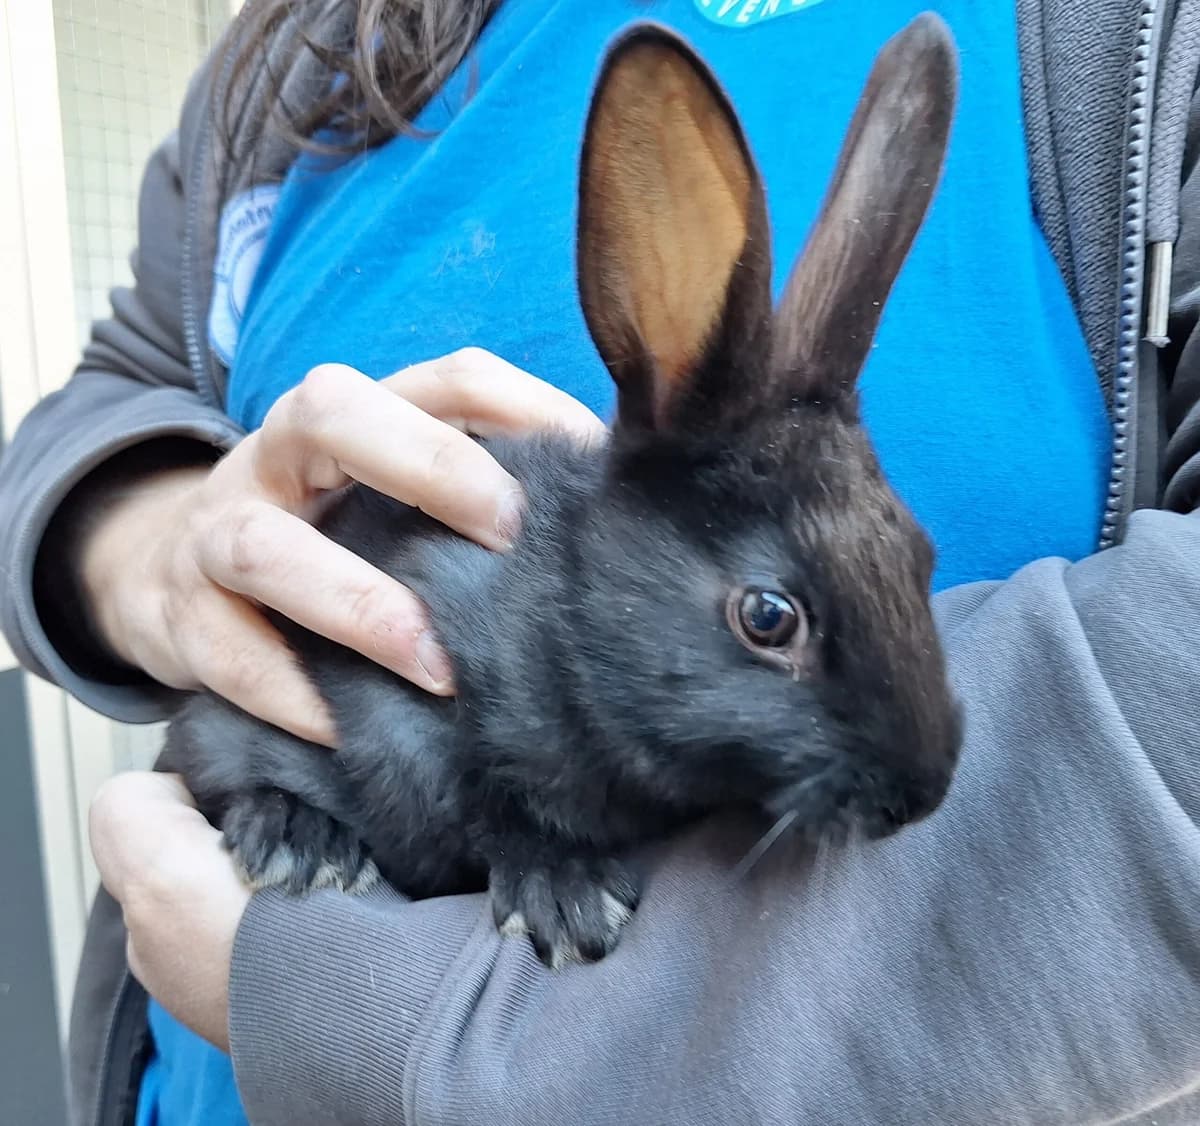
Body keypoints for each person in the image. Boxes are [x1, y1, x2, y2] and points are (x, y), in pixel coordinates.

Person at [2, 0, 1198, 1122]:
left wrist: (417, 1027)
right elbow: (125, 382)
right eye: (772, 622)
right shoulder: (304, 45)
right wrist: (144, 543)